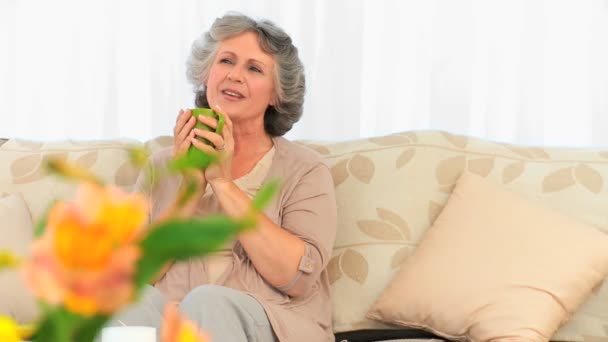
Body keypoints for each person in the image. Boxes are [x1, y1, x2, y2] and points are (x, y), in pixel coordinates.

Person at [114, 12, 338, 342]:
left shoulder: (305, 170)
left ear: (277, 94)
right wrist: (190, 189)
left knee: (207, 303)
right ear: (207, 74)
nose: (235, 75)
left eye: (254, 68)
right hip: (171, 324)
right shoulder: (160, 167)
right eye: (226, 61)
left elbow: (297, 278)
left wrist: (222, 183)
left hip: (269, 323)